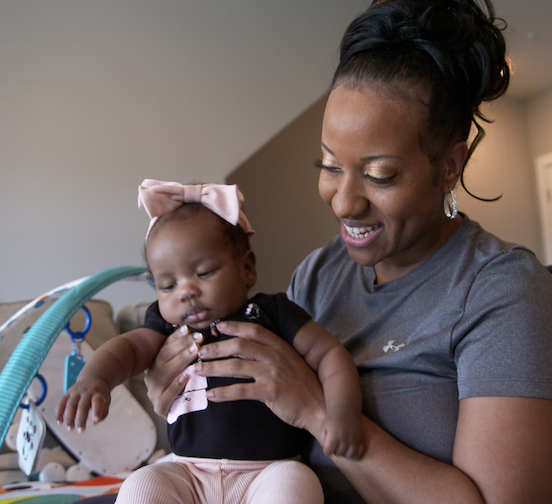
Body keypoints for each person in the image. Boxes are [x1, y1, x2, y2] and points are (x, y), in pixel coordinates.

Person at [142, 1, 552, 503]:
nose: (343, 201)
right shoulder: (319, 275)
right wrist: (175, 390)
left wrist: (317, 411)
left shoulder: (503, 291)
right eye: (329, 165)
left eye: (380, 174)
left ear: (451, 165)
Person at [56, 180, 363, 504]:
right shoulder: (166, 326)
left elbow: (329, 353)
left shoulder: (271, 312)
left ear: (246, 268)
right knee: (140, 485)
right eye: (168, 284)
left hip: (269, 470)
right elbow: (128, 350)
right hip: (188, 472)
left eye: (203, 273)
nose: (185, 292)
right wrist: (95, 378)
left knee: (297, 485)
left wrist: (342, 411)